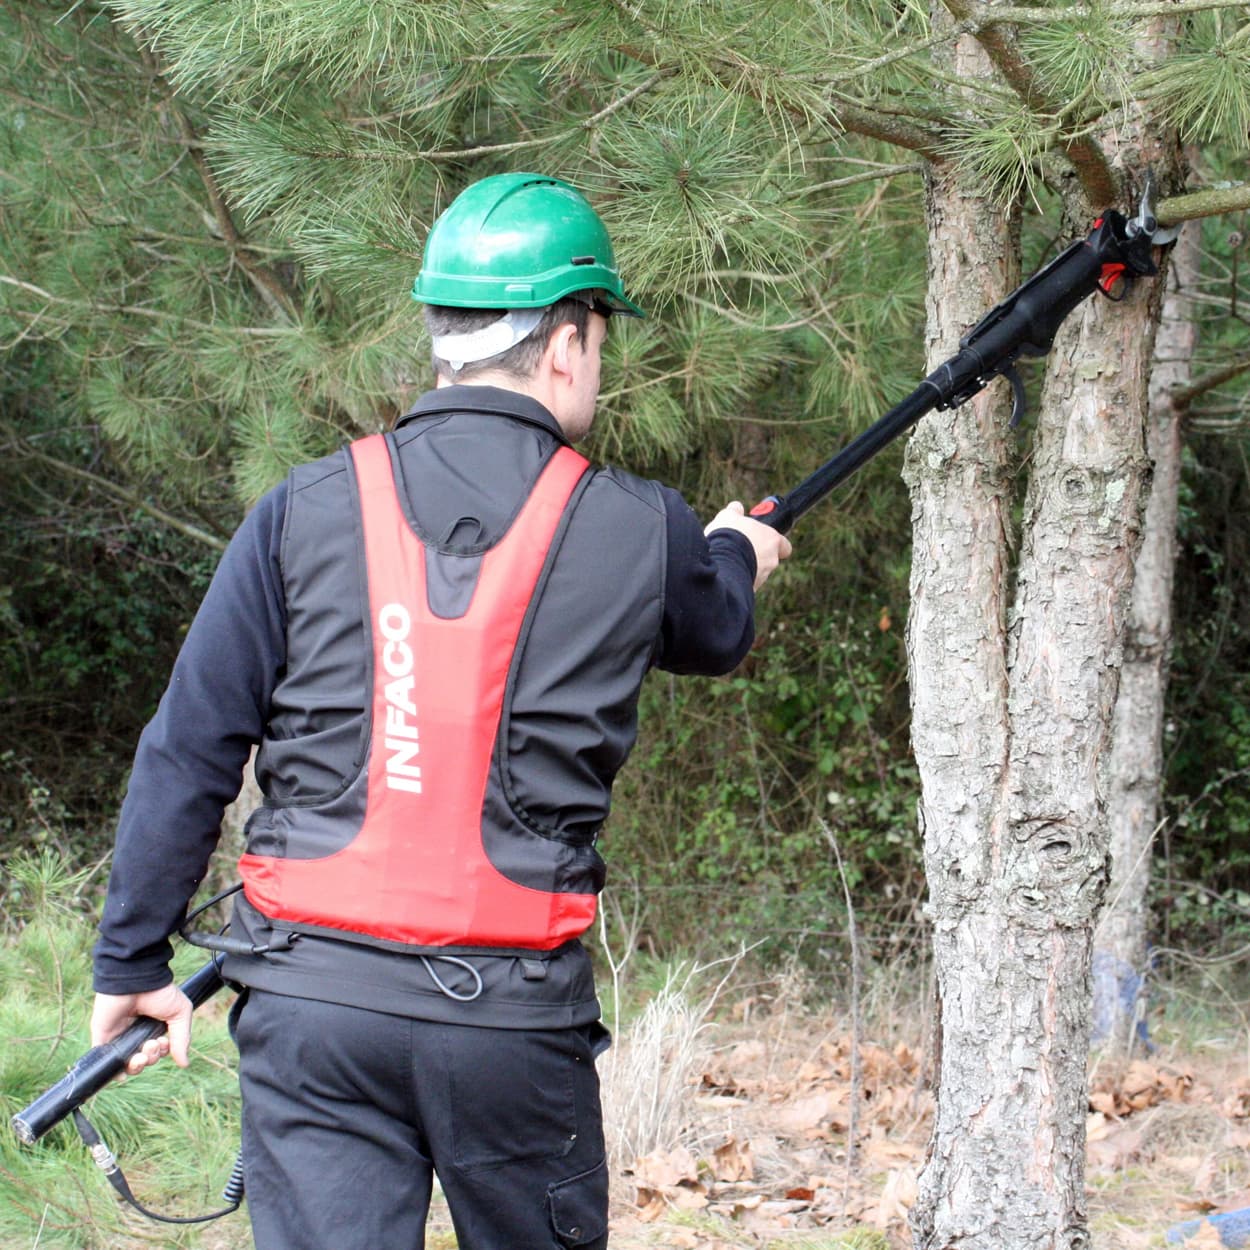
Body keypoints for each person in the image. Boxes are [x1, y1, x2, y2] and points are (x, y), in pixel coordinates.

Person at [89, 172, 792, 1250]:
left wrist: (132, 963)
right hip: (506, 1018)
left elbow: (190, 745)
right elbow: (713, 631)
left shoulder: (301, 506)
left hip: (308, 1002)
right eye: (598, 339)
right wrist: (734, 551)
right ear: (566, 340)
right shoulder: (641, 526)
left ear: (442, 333)